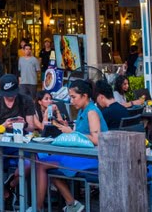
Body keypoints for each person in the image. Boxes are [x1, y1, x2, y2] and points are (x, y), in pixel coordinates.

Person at [31, 79, 104, 212]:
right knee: (45, 162)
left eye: (73, 97)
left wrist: (72, 132)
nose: (71, 101)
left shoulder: (91, 112)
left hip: (93, 158)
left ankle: (38, 208)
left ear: (85, 96)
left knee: (42, 165)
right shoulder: (84, 110)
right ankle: (71, 203)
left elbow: (97, 139)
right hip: (84, 155)